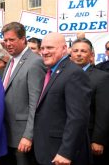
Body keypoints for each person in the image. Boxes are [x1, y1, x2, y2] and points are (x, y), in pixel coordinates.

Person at [34, 32, 91, 165]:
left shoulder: (74, 74)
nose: (44, 52)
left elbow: (78, 118)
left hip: (62, 155)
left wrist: (66, 152)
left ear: (65, 49)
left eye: (50, 48)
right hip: (48, 150)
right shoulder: (51, 72)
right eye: (42, 48)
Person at [1, 22, 46, 165]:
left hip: (23, 138)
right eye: (6, 40)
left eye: (12, 40)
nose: (8, 43)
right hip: (8, 135)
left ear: (23, 39)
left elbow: (36, 104)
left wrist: (28, 135)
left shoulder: (35, 62)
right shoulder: (11, 61)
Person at [70, 38, 109, 165]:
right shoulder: (64, 75)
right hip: (67, 137)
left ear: (91, 55)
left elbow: (103, 112)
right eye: (75, 50)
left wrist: (98, 140)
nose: (79, 54)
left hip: (89, 138)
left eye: (83, 51)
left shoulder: (101, 77)